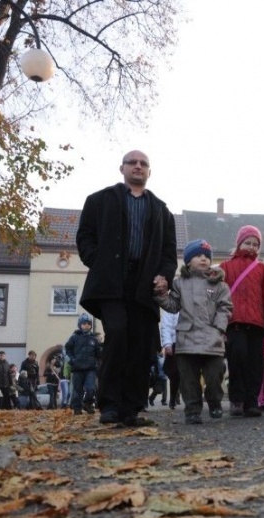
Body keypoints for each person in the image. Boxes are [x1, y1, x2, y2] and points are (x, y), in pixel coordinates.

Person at [76, 149, 177, 427]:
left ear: (149, 172)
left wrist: (164, 276)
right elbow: (84, 236)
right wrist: (98, 261)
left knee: (141, 345)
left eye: (143, 163)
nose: (138, 166)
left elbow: (169, 254)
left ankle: (131, 408)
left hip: (144, 286)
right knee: (118, 334)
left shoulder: (161, 210)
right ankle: (109, 405)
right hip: (110, 282)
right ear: (122, 168)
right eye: (132, 162)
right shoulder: (99, 201)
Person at [154, 238, 233, 425]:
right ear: (188, 260)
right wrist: (161, 295)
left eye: (206, 256)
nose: (203, 259)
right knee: (188, 379)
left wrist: (220, 328)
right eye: (198, 255)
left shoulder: (220, 285)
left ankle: (214, 401)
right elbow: (173, 306)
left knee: (215, 376)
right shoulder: (179, 283)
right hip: (186, 339)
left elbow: (225, 307)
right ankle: (192, 409)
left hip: (212, 339)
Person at [219, 226, 264, 418]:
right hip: (234, 321)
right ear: (239, 243)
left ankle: (251, 401)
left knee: (255, 363)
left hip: (257, 323)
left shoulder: (262, 269)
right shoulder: (225, 267)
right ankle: (237, 399)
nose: (252, 247)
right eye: (248, 243)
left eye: (256, 244)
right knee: (237, 358)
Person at [65, 313, 102, 415]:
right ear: (80, 325)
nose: (86, 325)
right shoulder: (74, 338)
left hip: (90, 368)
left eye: (89, 324)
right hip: (77, 368)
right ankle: (77, 408)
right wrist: (72, 360)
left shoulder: (93, 339)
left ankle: (88, 403)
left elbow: (98, 354)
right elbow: (67, 350)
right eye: (84, 323)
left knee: (91, 388)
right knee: (77, 390)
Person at [159, 311, 181, 409]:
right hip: (175, 343)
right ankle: (172, 399)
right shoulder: (172, 306)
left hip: (191, 342)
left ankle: (193, 401)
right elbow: (166, 326)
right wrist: (167, 343)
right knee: (174, 374)